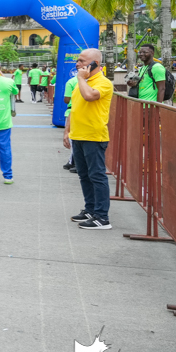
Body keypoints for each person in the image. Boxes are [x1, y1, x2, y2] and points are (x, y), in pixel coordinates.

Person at [64, 48, 115, 230]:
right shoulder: (82, 82)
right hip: (78, 135)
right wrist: (67, 131)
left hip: (93, 136)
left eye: (82, 61)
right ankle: (90, 209)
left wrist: (80, 78)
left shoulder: (103, 83)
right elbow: (74, 106)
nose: (77, 64)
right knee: (84, 175)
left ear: (95, 64)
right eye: (78, 61)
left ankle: (102, 217)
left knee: (97, 175)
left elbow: (90, 96)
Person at [62, 72, 78, 173]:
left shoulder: (71, 82)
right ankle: (72, 161)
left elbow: (67, 99)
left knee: (73, 139)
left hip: (72, 111)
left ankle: (74, 162)